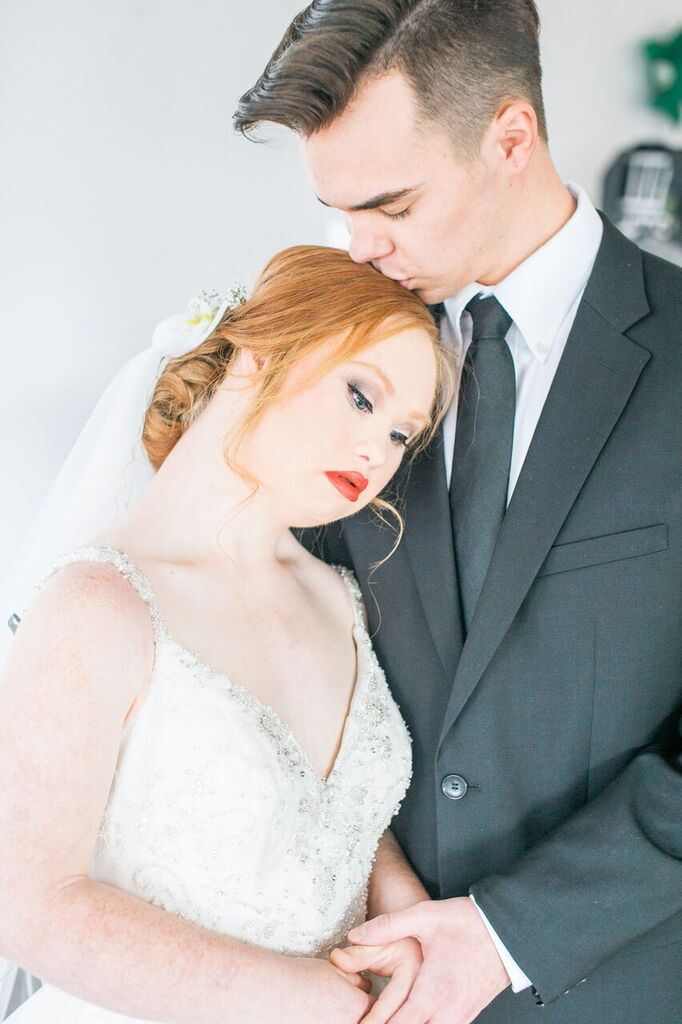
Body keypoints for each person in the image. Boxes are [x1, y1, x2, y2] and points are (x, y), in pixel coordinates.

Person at [234, 2, 682, 1022]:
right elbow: (279, 634)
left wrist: (507, 930)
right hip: (352, 980)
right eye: (339, 214)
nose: (359, 252)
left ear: (509, 138)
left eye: (390, 206)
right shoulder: (339, 371)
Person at [0, 244, 453, 1023]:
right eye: (360, 396)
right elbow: (28, 903)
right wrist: (294, 997)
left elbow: (324, 815)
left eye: (403, 435)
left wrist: (400, 904)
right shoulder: (97, 605)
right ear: (257, 354)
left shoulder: (340, 599)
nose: (378, 452)